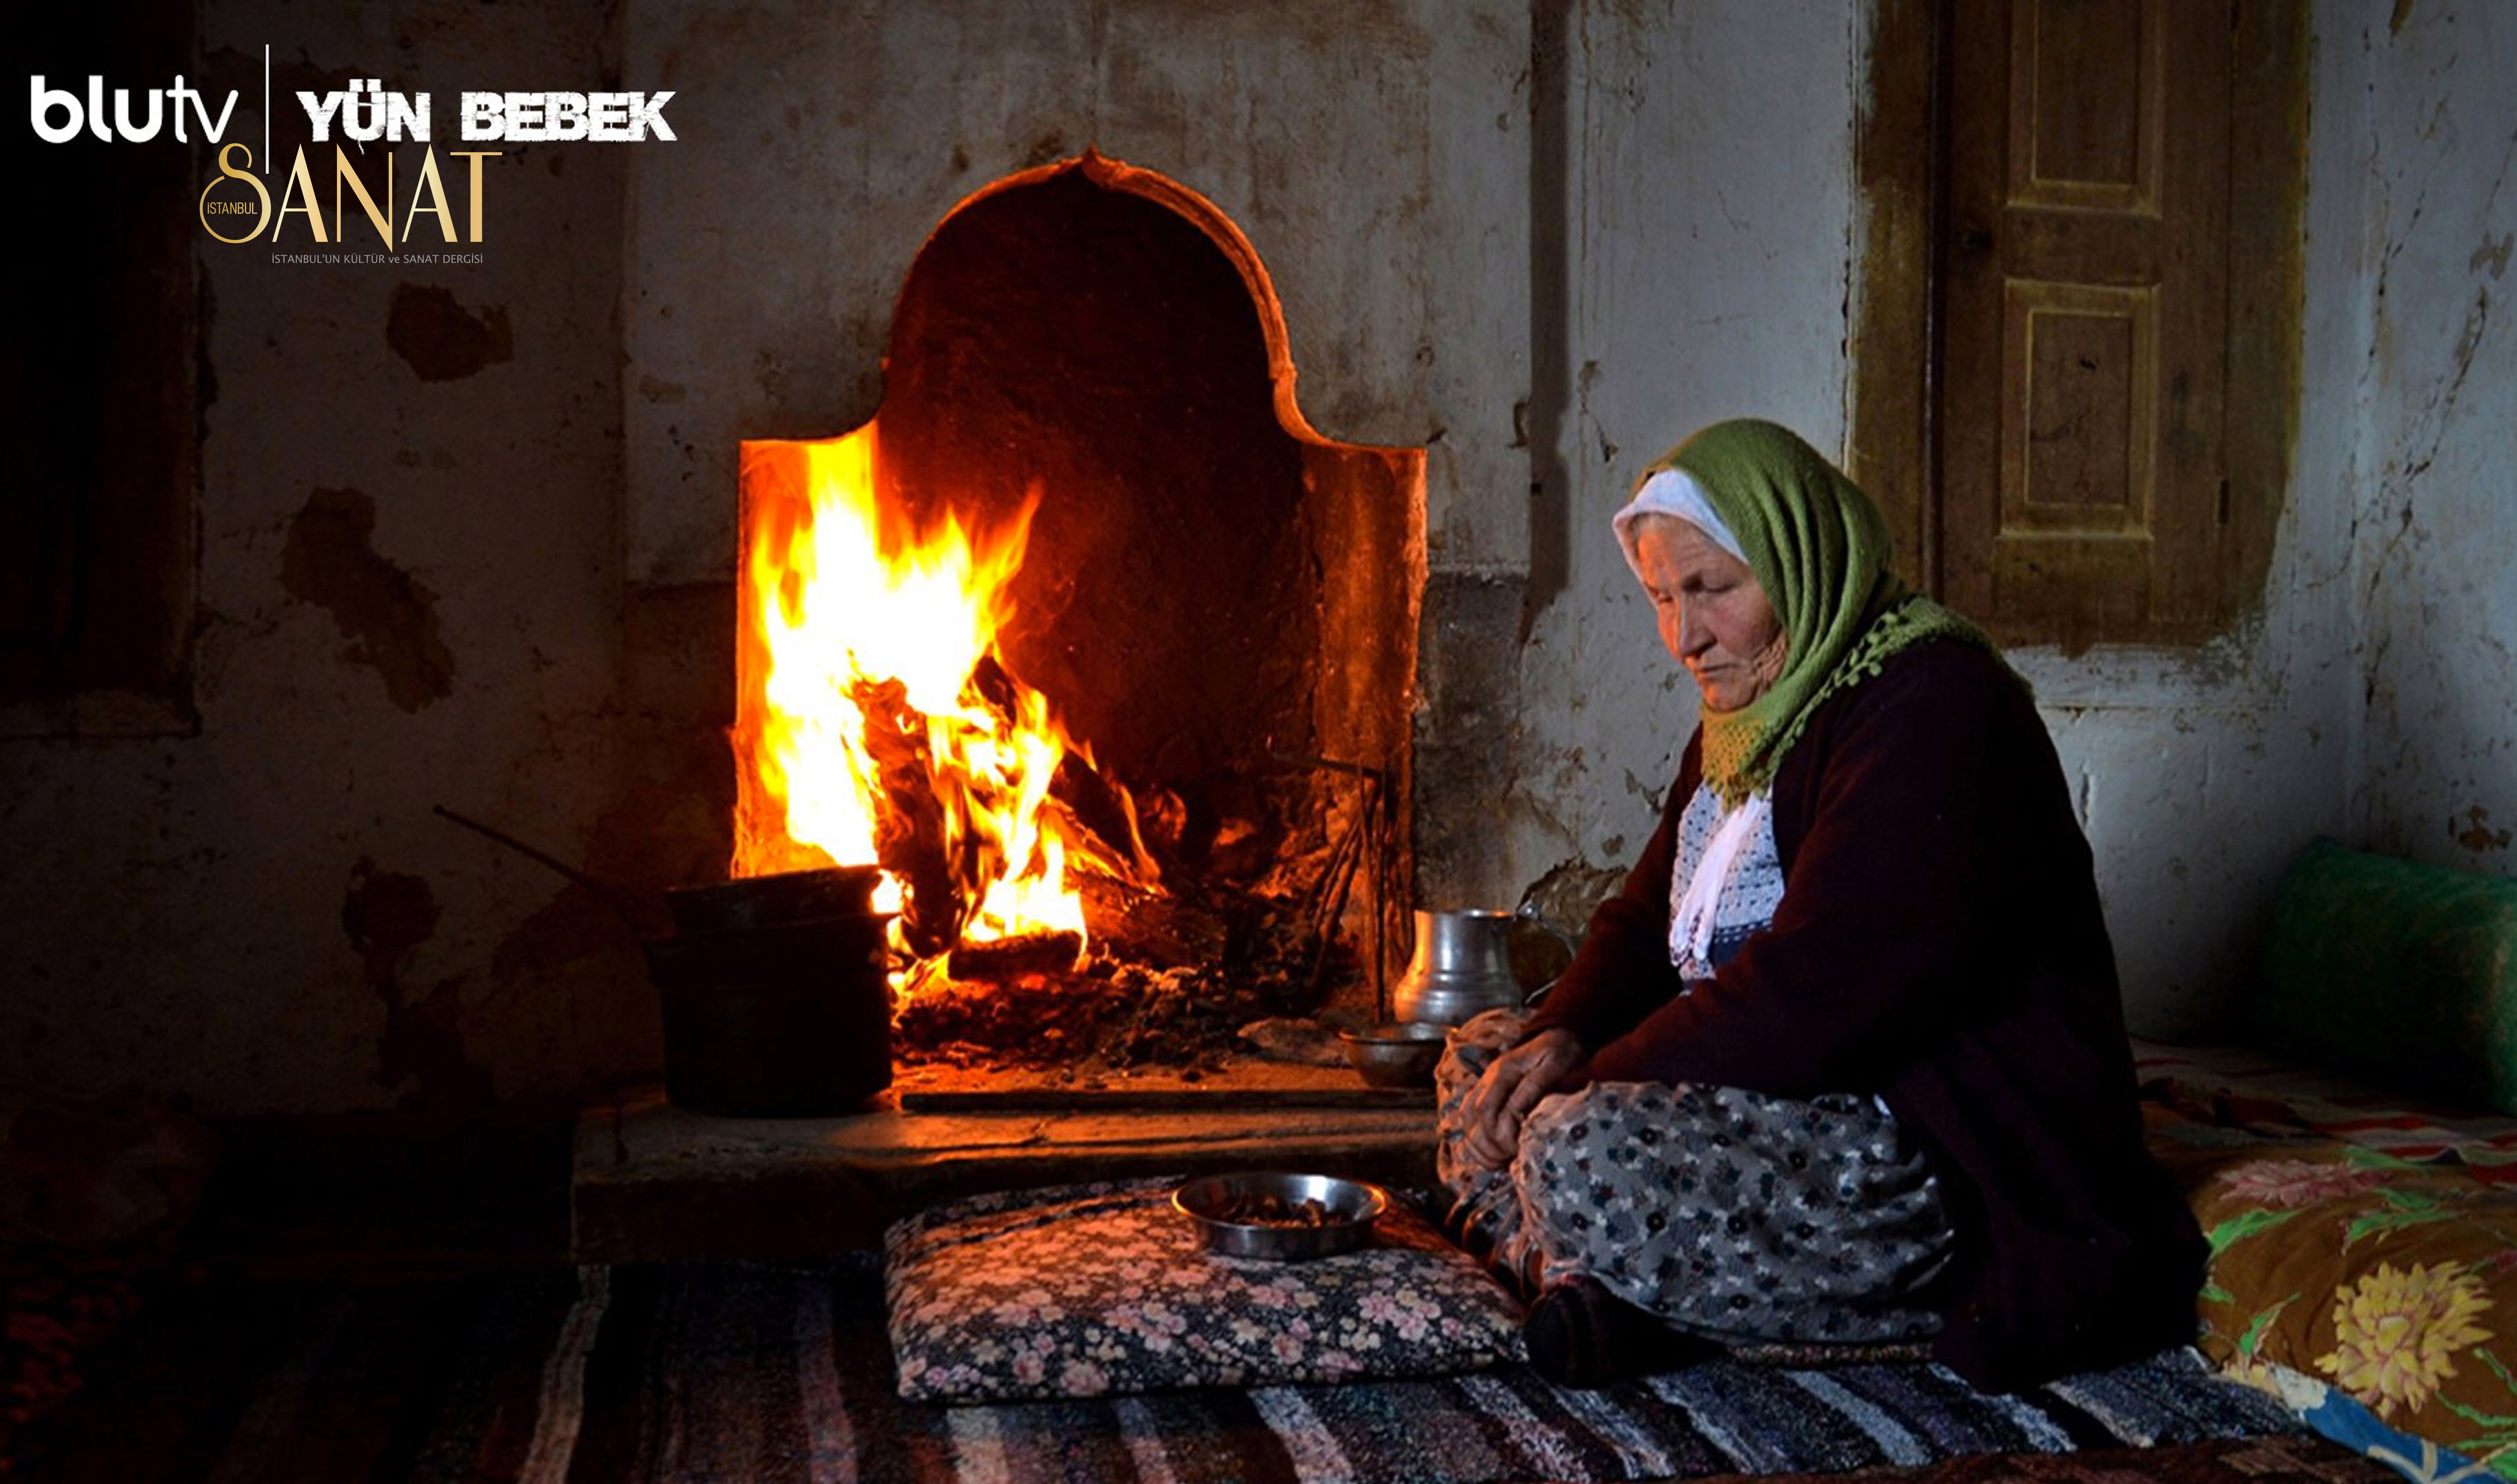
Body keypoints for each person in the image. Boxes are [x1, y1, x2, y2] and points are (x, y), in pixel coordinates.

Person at [1437, 418, 2203, 1391]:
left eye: (1714, 589)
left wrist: (1584, 1081)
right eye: (1663, 597)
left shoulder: (1934, 704)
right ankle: (1628, 1291)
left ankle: (1629, 1285)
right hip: (1768, 1098)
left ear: (1798, 557)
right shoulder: (1750, 714)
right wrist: (1559, 1035)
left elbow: (1809, 998)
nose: (1684, 637)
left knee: (1572, 1145)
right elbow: (1640, 923)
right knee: (1481, 1056)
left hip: (1929, 1150)